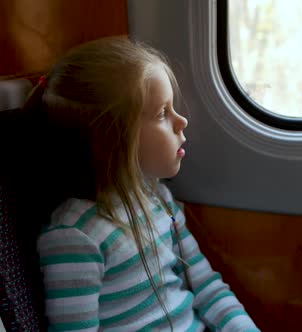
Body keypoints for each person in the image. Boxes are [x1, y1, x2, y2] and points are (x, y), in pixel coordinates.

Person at [27, 37, 259, 331]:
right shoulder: (76, 237)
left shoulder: (158, 198)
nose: (181, 121)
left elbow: (207, 287)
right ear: (112, 139)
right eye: (163, 113)